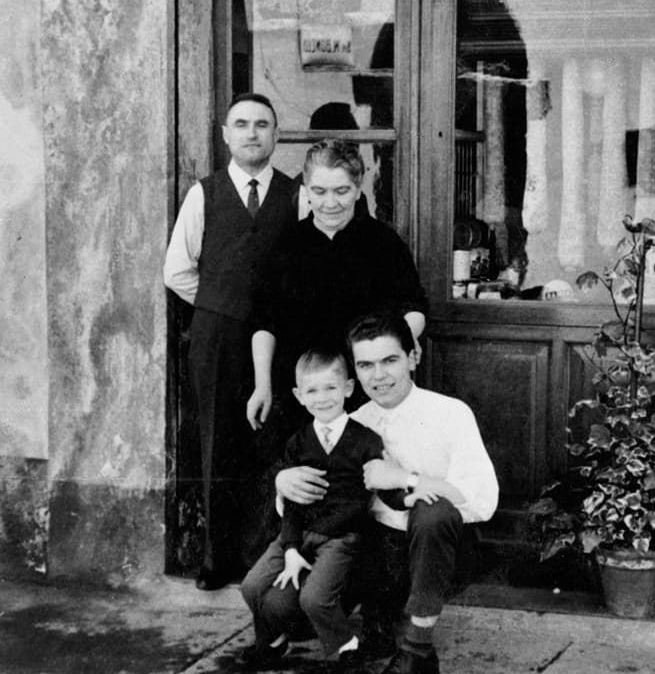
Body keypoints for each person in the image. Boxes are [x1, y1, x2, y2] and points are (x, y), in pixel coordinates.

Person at [276, 311, 499, 674]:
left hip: (436, 547)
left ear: (414, 357)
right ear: (354, 372)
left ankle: (417, 649)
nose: (378, 376)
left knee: (433, 510)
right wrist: (282, 482)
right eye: (365, 365)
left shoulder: (450, 413)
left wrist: (404, 477)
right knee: (287, 610)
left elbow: (480, 499)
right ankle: (377, 624)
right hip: (371, 553)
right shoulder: (353, 422)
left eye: (390, 360)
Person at [163, 92, 296, 590]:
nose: (251, 133)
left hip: (279, 338)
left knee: (273, 440)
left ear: (276, 135)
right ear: (225, 134)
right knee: (218, 442)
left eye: (262, 124)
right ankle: (217, 560)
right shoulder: (206, 193)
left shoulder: (296, 193)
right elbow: (177, 271)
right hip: (217, 337)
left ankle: (266, 555)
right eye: (241, 124)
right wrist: (223, 303)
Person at [239, 346, 409, 674]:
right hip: (298, 533)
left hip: (341, 537)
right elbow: (292, 502)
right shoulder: (299, 442)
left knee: (314, 599)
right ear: (299, 396)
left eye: (330, 388)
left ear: (347, 388)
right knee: (251, 586)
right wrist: (289, 547)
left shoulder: (366, 440)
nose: (322, 398)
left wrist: (406, 492)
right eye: (312, 391)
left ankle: (348, 645)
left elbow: (373, 494)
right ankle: (271, 641)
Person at [247, 138, 427, 437]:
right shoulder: (284, 245)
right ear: (305, 189)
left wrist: (404, 338)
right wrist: (262, 384)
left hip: (367, 388)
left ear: (358, 190)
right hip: (303, 393)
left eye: (341, 191)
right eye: (319, 191)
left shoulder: (383, 243)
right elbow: (263, 321)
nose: (330, 202)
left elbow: (414, 307)